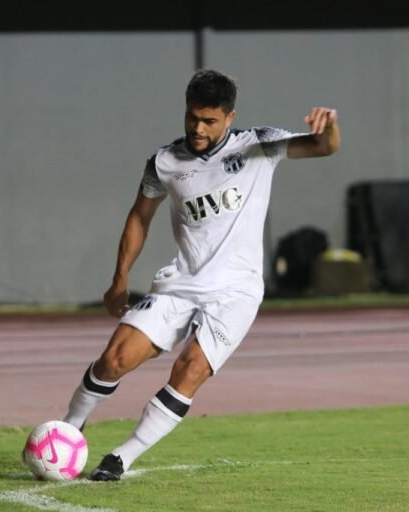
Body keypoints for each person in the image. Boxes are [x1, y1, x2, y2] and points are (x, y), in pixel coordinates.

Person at [61, 69, 340, 481]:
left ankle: (123, 456)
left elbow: (323, 147)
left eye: (209, 120)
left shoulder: (259, 146)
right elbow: (140, 217)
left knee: (189, 370)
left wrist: (330, 124)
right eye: (192, 117)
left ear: (229, 117)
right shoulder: (165, 162)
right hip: (181, 282)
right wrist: (119, 278)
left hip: (235, 293)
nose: (198, 127)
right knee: (115, 359)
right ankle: (69, 430)